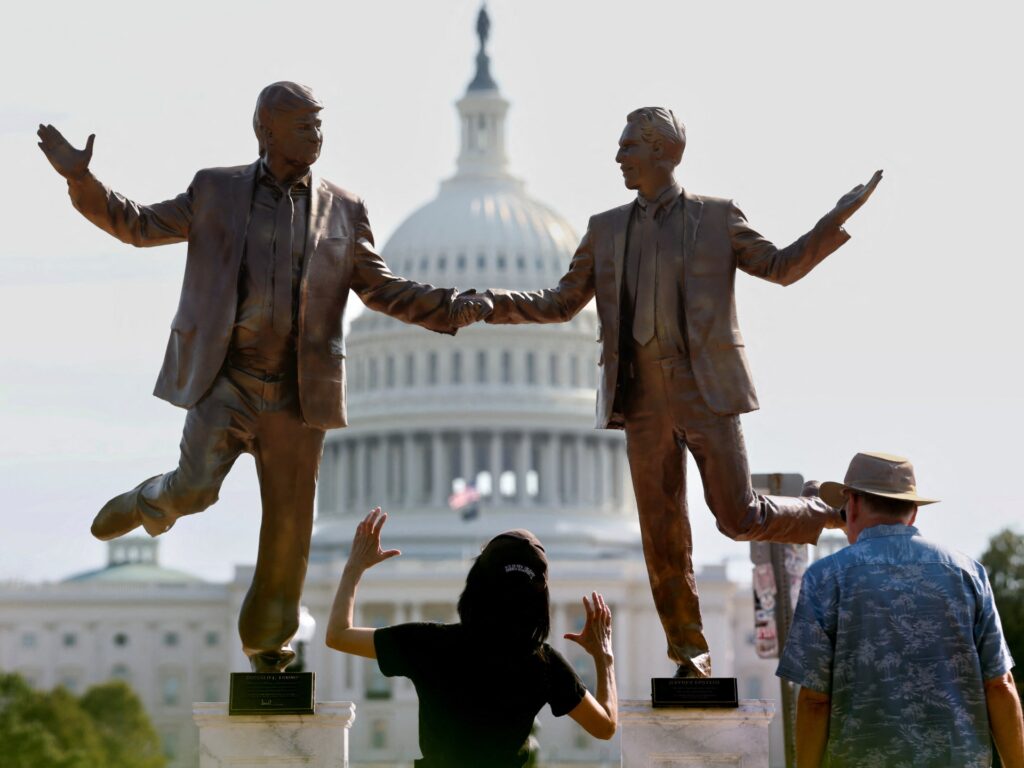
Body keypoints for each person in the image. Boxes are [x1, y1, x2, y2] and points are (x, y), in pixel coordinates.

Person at [36, 82, 487, 672]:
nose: (316, 137)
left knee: (289, 527)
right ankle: (152, 498)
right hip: (228, 377)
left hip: (300, 393)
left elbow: (380, 288)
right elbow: (138, 224)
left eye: (320, 126)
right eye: (304, 126)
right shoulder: (216, 189)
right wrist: (81, 182)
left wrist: (450, 307)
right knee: (196, 491)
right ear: (267, 131)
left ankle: (267, 641)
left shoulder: (344, 209)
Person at [455, 107, 880, 677]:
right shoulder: (605, 229)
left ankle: (823, 509)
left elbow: (779, 267)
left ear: (664, 152)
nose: (618, 157)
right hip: (642, 399)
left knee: (737, 517)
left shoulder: (717, 218)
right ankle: (690, 652)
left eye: (629, 145)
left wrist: (832, 222)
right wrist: (493, 303)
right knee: (662, 539)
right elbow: (560, 302)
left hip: (705, 389)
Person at [777, 451, 1023, 768]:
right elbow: (1000, 686)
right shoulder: (967, 573)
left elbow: (814, 700)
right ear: (914, 513)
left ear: (850, 505)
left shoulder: (825, 578)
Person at [326, 508, 617, 767]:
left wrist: (354, 568)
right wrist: (603, 658)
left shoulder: (430, 643)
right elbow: (605, 727)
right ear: (539, 601)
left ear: (476, 584)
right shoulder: (543, 663)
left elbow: (338, 635)